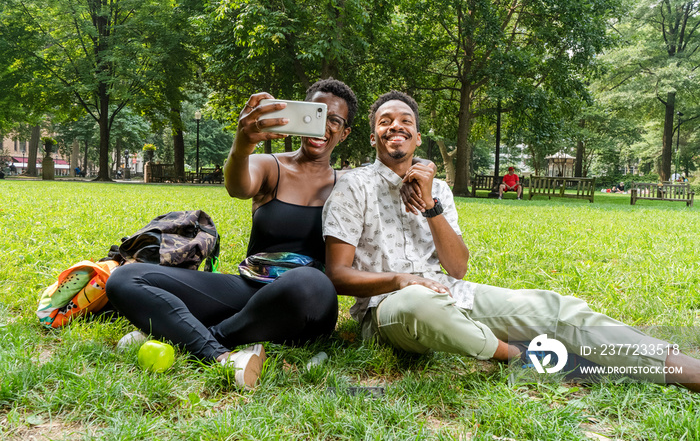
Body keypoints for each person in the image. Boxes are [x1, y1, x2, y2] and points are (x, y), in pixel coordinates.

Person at [323, 90, 700, 392]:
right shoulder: (352, 187)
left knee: (552, 308)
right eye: (385, 122)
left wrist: (431, 206)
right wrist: (403, 280)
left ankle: (684, 369)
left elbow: (457, 268)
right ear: (373, 136)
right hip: (387, 311)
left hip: (452, 293)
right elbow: (338, 275)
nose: (396, 126)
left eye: (406, 121)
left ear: (418, 136)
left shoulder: (438, 190)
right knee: (419, 301)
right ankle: (515, 355)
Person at [106, 78, 358, 389]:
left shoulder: (350, 183)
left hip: (306, 305)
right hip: (249, 289)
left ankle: (202, 333)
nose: (323, 125)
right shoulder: (269, 166)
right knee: (124, 279)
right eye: (316, 112)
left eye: (335, 120)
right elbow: (237, 186)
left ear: (344, 133)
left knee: (310, 280)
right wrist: (243, 142)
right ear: (299, 114)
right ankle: (220, 356)